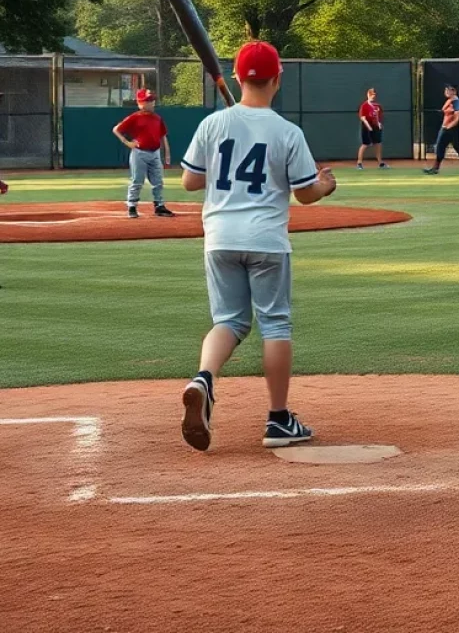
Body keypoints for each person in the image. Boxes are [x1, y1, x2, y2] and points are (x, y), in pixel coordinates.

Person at [178, 40, 337, 452]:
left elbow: (190, 181)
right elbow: (305, 194)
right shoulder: (287, 131)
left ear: (236, 77)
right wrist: (326, 185)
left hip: (220, 238)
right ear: (278, 78)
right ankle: (279, 420)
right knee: (276, 325)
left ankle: (204, 378)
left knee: (229, 321)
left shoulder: (212, 125)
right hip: (267, 239)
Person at [113, 88, 174, 219]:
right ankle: (132, 206)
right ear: (140, 103)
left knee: (158, 181)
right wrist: (127, 142)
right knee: (137, 180)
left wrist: (167, 153)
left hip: (155, 153)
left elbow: (163, 136)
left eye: (152, 100)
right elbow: (116, 129)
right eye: (148, 100)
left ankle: (159, 206)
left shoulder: (157, 118)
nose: (152, 103)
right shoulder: (135, 117)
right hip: (140, 152)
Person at [423, 83, 459, 174]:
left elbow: (458, 116)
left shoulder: (456, 102)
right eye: (446, 89)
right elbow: (445, 112)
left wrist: (449, 127)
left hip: (451, 129)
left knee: (449, 146)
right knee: (444, 147)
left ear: (454, 91)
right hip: (446, 127)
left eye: (449, 90)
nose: (446, 91)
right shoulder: (449, 101)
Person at [356, 87, 389, 170]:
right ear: (368, 95)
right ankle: (359, 163)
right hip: (366, 127)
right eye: (371, 95)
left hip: (376, 128)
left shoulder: (377, 106)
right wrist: (369, 127)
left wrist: (379, 124)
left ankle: (380, 163)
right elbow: (363, 118)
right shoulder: (364, 106)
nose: (373, 96)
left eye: (374, 95)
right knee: (365, 144)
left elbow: (379, 117)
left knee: (378, 144)